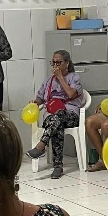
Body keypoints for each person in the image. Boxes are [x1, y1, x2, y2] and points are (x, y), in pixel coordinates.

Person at [27, 51, 86, 179]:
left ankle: (42, 147)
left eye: (58, 62)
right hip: (52, 114)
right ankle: (57, 166)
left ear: (67, 63)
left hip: (70, 114)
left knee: (58, 117)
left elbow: (71, 94)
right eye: (53, 62)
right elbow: (40, 98)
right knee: (56, 121)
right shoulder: (48, 81)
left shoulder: (74, 78)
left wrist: (60, 77)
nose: (55, 65)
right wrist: (35, 102)